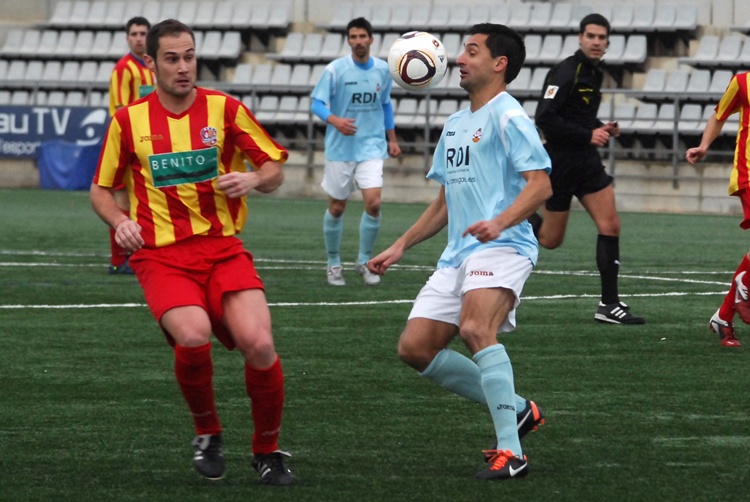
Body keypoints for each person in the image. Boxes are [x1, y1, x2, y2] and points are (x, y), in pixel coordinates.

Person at [90, 19, 294, 485]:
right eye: (171, 59)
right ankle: (208, 433)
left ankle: (267, 450)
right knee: (194, 333)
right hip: (161, 255)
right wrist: (121, 222)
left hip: (222, 248)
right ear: (151, 63)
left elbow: (273, 168)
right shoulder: (128, 121)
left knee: (260, 343)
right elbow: (100, 191)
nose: (184, 68)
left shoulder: (224, 110)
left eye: (189, 57)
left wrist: (255, 179)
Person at [368, 23, 551, 480]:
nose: (460, 60)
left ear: (499, 63)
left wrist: (500, 221)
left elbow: (541, 185)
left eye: (471, 51)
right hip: (459, 253)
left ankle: (512, 454)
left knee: (475, 327)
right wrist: (400, 245)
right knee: (415, 349)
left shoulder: (510, 116)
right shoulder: (455, 124)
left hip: (504, 245)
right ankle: (520, 410)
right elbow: (446, 202)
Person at [533, 13, 645, 325]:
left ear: (607, 42)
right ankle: (510, 212)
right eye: (591, 36)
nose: (596, 41)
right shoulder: (567, 71)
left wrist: (600, 128)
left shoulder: (595, 72)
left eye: (601, 37)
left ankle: (609, 305)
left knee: (610, 225)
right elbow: (545, 118)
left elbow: (577, 117)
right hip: (562, 163)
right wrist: (587, 134)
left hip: (587, 163)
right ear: (580, 38)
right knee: (550, 240)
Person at [310, 17, 401, 286]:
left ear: (371, 40)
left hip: (371, 145)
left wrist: (392, 139)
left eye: (363, 36)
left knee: (373, 203)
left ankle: (364, 261)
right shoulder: (336, 70)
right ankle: (333, 262)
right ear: (348, 41)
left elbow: (385, 105)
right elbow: (316, 103)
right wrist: (334, 120)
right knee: (337, 207)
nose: (358, 41)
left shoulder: (384, 71)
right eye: (353, 37)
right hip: (341, 149)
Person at [686, 71, 750, 347]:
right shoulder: (743, 82)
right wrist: (704, 145)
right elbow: (719, 114)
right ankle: (743, 289)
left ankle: (724, 316)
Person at [106, 16, 156, 275]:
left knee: (141, 199)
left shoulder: (151, 67)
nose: (138, 38)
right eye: (134, 33)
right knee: (122, 198)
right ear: (127, 38)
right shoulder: (124, 68)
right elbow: (119, 109)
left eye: (143, 33)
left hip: (147, 140)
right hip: (127, 141)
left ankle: (136, 256)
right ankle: (118, 260)